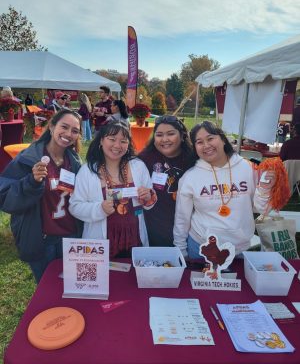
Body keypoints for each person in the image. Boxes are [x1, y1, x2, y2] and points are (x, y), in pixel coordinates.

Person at [0, 109, 83, 283]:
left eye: (74, 131)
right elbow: (5, 197)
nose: (68, 134)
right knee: (47, 290)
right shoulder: (28, 158)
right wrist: (31, 182)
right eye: (64, 127)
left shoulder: (75, 162)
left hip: (70, 237)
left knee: (72, 286)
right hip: (41, 239)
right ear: (52, 127)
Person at [173, 121, 275, 259]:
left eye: (210, 138)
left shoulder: (248, 168)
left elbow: (262, 209)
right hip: (201, 248)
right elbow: (181, 218)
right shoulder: (190, 177)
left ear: (222, 139)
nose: (206, 145)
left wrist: (265, 189)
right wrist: (181, 250)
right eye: (199, 142)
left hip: (239, 248)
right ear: (195, 147)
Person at [69, 121, 156, 258]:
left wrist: (148, 197)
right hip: (101, 243)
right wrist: (100, 209)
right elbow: (75, 206)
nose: (117, 145)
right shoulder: (88, 171)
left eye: (123, 141)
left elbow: (150, 199)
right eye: (112, 139)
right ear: (101, 141)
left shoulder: (138, 166)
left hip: (135, 239)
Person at [139, 115, 194, 246]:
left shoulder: (193, 160)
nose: (164, 139)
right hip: (154, 230)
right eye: (159, 135)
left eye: (170, 134)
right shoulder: (144, 159)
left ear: (182, 136)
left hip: (188, 231)